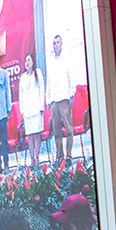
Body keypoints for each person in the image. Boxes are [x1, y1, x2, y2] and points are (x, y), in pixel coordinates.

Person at [46, 33, 76, 165]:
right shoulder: (50, 61)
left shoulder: (67, 59)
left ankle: (69, 156)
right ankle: (60, 157)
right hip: (54, 101)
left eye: (57, 42)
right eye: (54, 43)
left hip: (64, 98)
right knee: (57, 131)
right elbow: (49, 81)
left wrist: (71, 95)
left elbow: (71, 77)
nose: (55, 45)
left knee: (69, 129)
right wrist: (48, 100)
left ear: (61, 44)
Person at [18, 51, 45, 167]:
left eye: (29, 60)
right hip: (27, 111)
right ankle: (32, 159)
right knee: (30, 136)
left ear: (33, 61)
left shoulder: (37, 73)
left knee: (36, 135)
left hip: (36, 109)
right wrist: (22, 110)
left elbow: (41, 90)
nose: (27, 63)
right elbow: (21, 95)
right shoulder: (22, 77)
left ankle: (37, 158)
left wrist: (41, 107)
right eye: (25, 61)